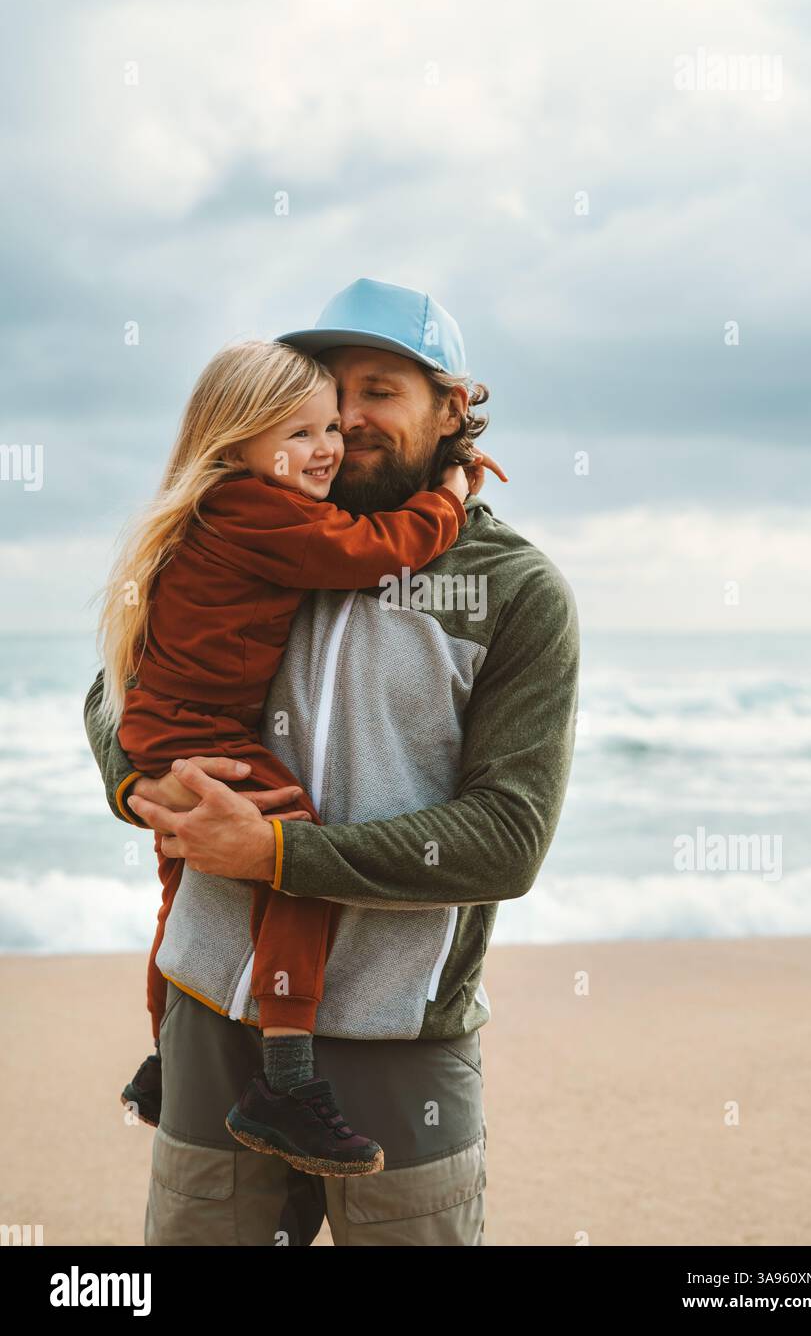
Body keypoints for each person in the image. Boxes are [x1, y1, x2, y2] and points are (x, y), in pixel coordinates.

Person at [84, 277, 579, 1246]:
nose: (346, 421)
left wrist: (275, 852)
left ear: (453, 407)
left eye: (380, 390)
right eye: (328, 393)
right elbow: (115, 685)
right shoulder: (255, 531)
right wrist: (140, 781)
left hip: (400, 1024)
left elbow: (507, 839)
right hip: (209, 1014)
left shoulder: (513, 589)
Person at [95, 334, 493, 1177]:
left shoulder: (225, 506)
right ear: (236, 441)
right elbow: (370, 550)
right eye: (301, 432)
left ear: (451, 409)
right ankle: (283, 1081)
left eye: (333, 427)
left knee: (178, 895)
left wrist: (146, 770)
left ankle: (163, 1063)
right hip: (203, 735)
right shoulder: (260, 510)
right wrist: (451, 502)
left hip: (175, 725)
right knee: (294, 863)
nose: (329, 445)